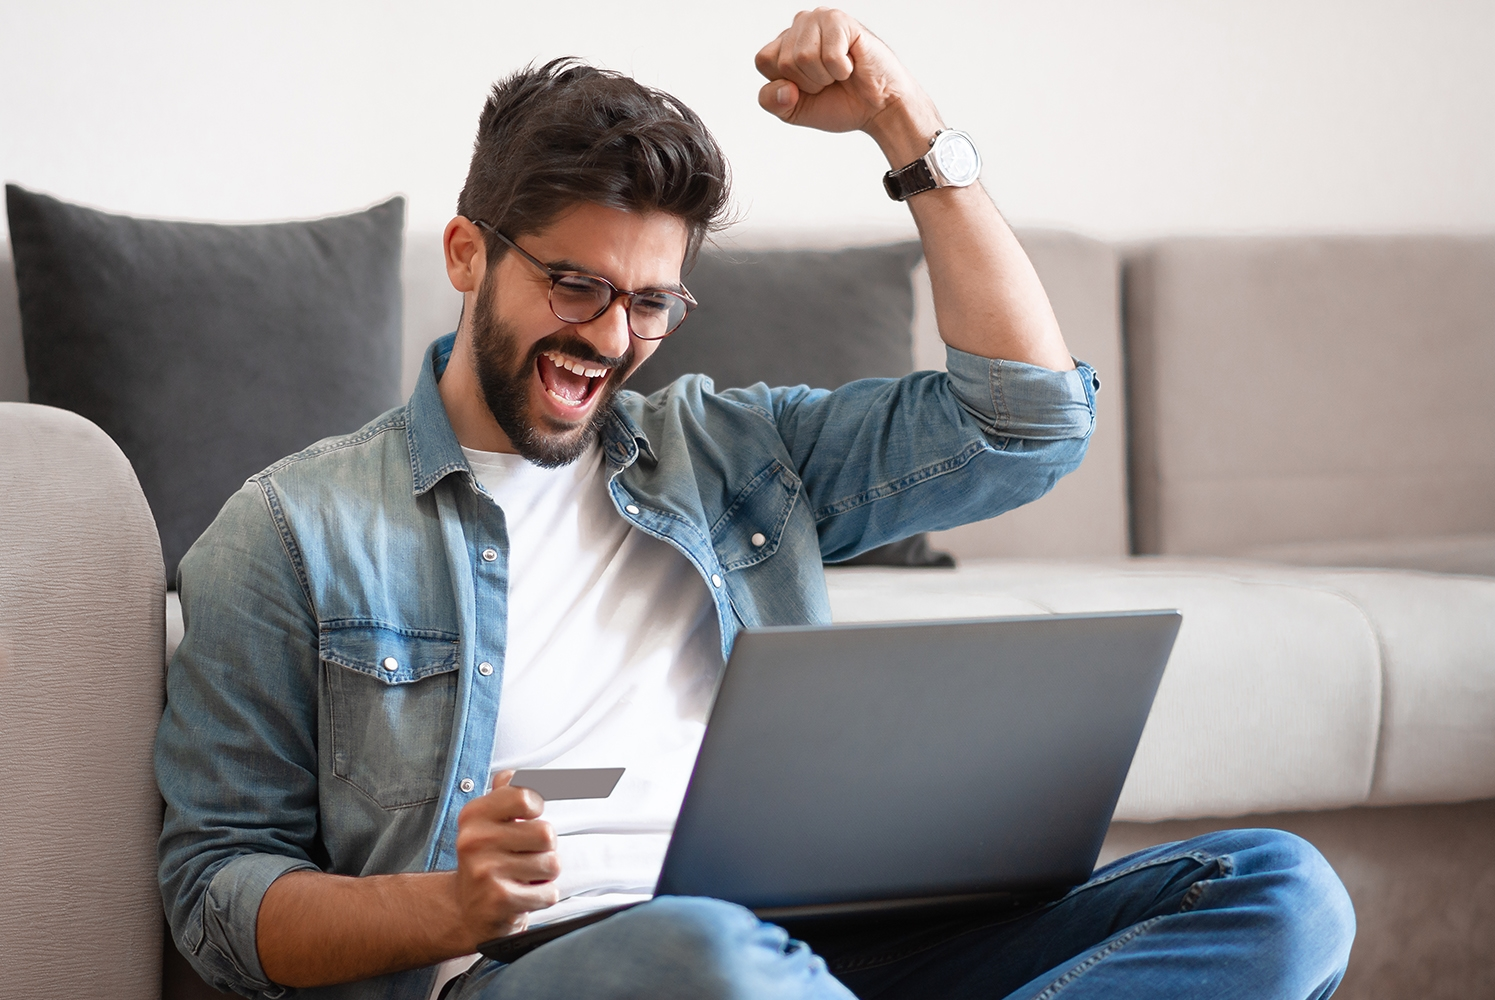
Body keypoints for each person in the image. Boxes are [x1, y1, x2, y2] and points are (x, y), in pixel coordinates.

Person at [156, 9, 1354, 1000]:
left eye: (651, 304)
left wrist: (908, 126)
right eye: (575, 286)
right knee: (711, 954)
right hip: (577, 968)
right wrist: (451, 903)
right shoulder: (292, 532)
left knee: (1281, 891)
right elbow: (217, 898)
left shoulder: (729, 451)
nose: (611, 339)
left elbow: (1026, 424)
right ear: (468, 253)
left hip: (821, 948)